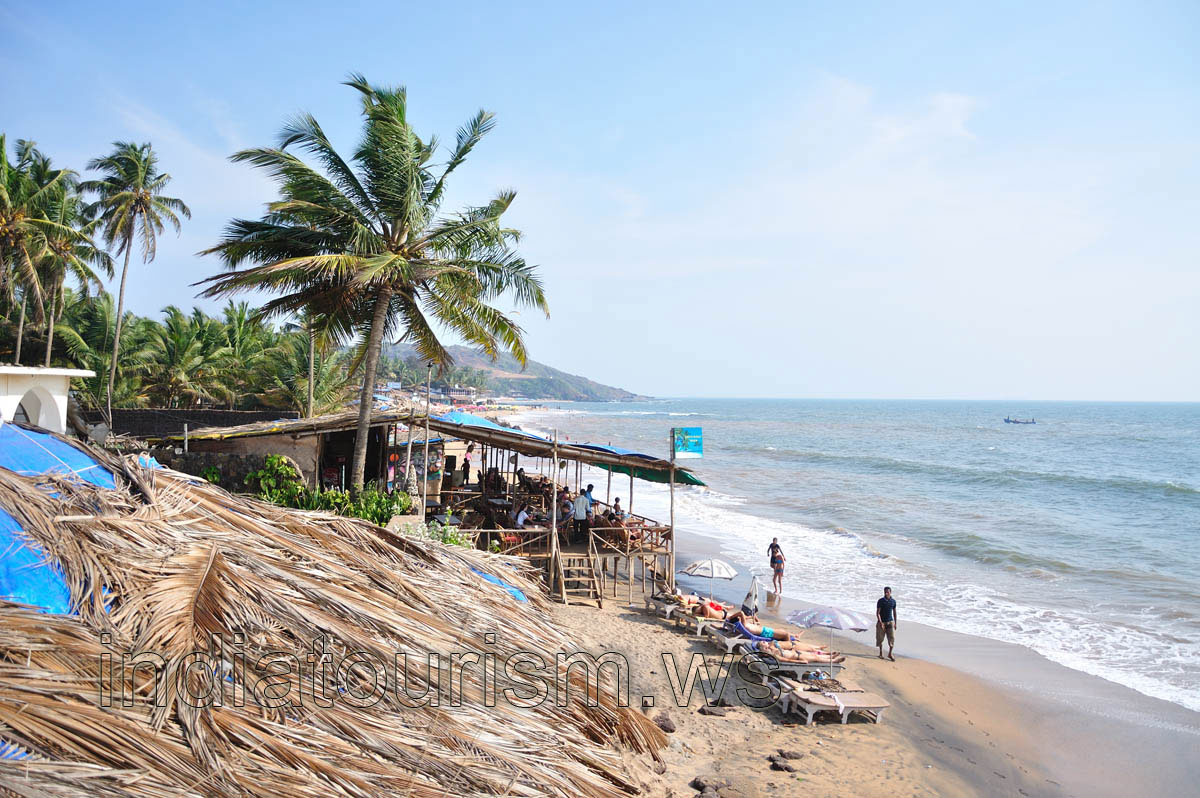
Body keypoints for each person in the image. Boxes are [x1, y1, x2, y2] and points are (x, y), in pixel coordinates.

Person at [876, 586, 897, 661]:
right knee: (880, 638)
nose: (886, 593)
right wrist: (881, 623)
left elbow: (894, 612)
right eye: (885, 592)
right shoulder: (880, 601)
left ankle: (890, 653)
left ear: (890, 592)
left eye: (887, 592)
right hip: (881, 622)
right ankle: (881, 653)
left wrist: (895, 623)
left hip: (890, 622)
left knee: (891, 639)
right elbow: (878, 613)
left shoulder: (893, 601)